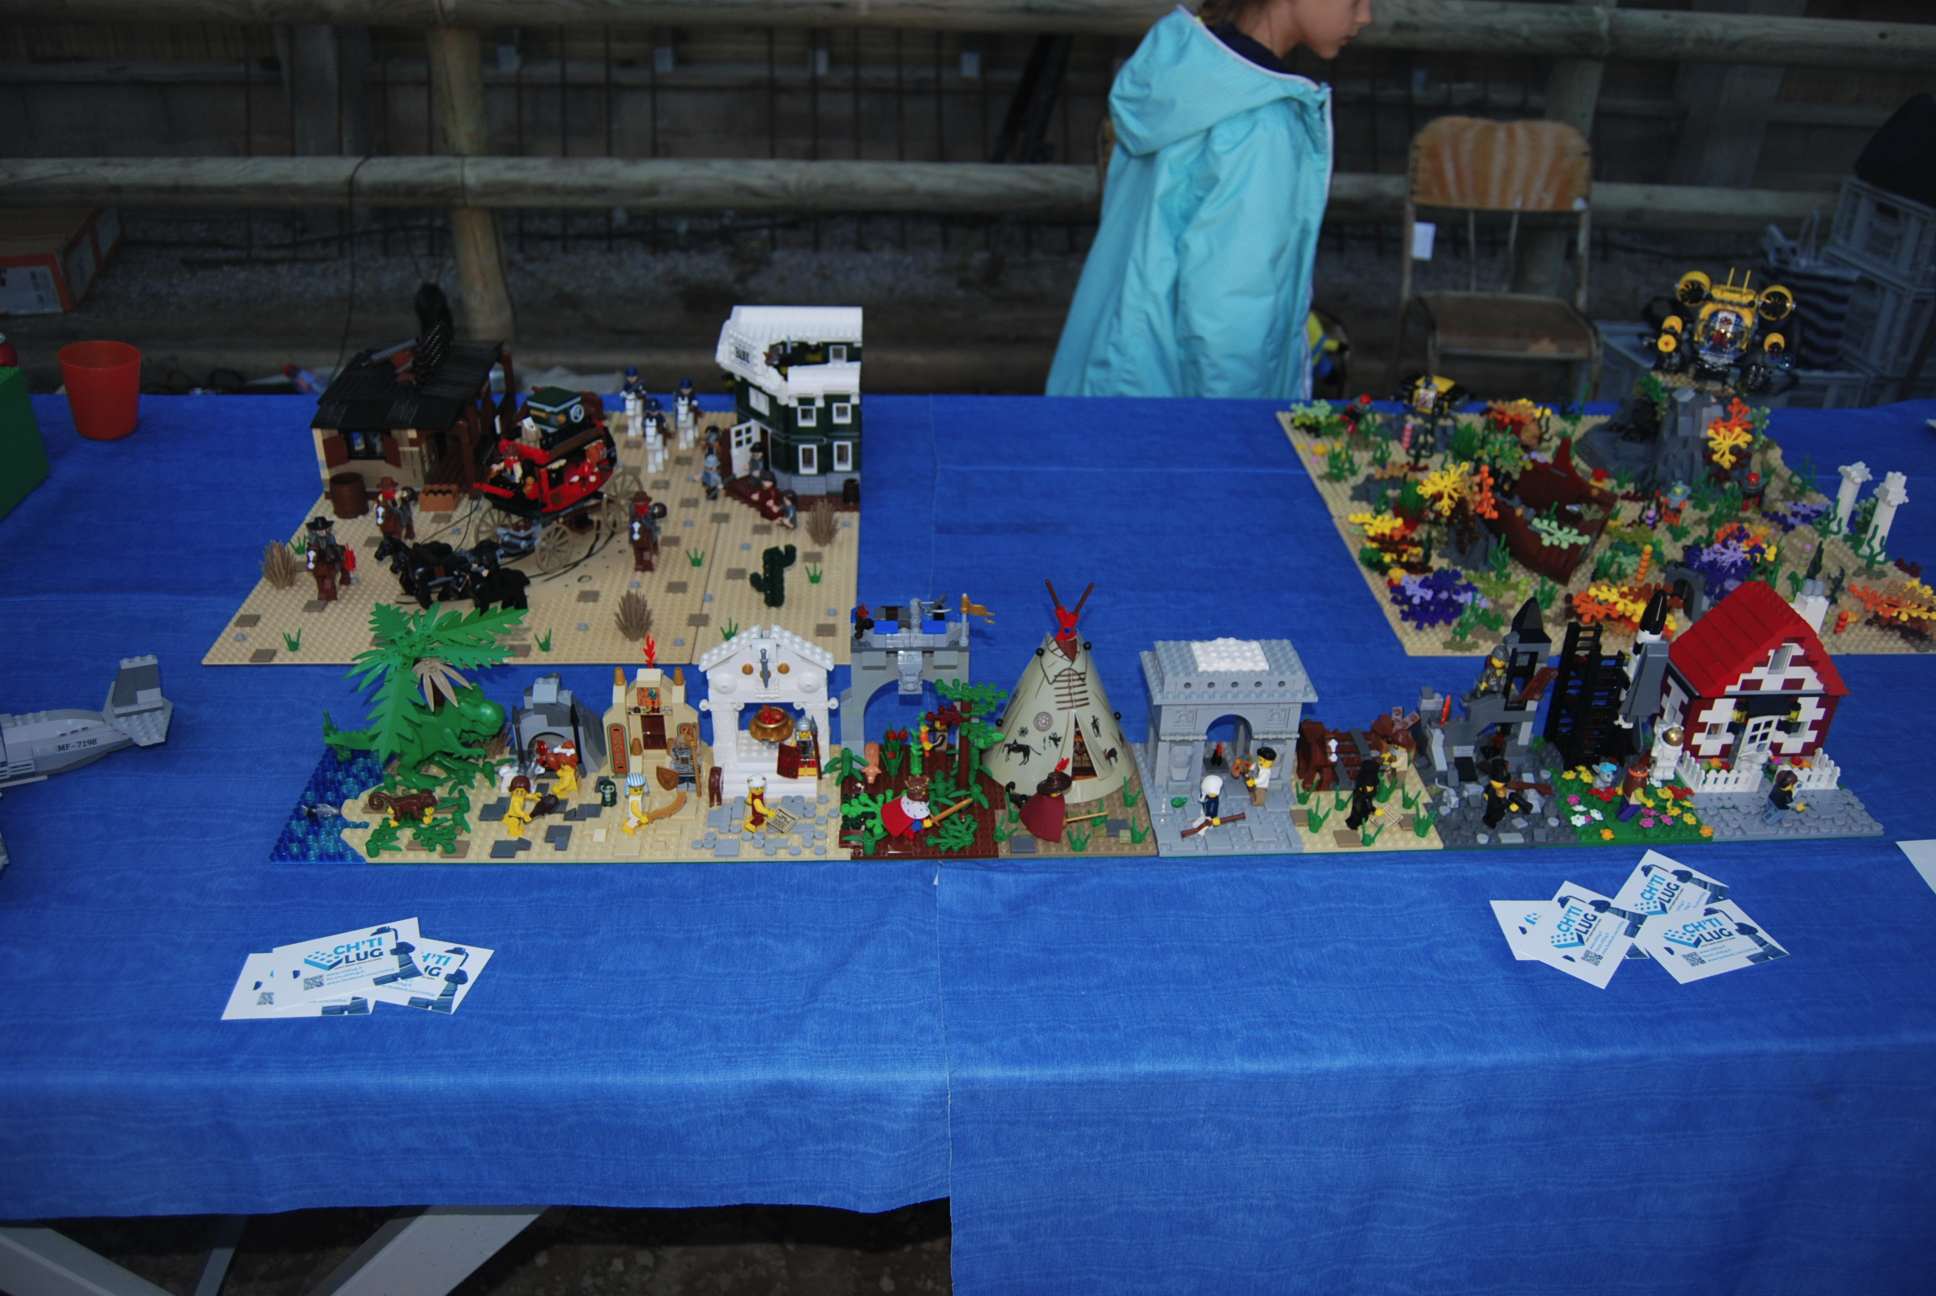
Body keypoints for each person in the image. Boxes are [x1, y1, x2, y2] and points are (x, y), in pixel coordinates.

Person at [1047, 0, 1372, 399]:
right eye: (1356, 0)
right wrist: (1238, 428)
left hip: (1109, 379)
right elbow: (1230, 314)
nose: (1365, 16)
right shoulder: (1261, 124)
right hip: (1175, 417)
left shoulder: (1185, 75)